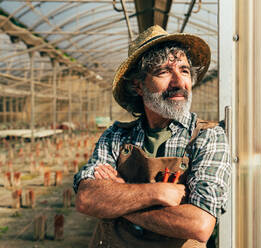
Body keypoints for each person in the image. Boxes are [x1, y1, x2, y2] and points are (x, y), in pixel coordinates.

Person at [73, 25, 231, 248]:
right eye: (164, 72)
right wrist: (158, 192)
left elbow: (199, 224)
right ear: (138, 85)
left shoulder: (206, 137)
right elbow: (87, 198)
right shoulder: (116, 136)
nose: (178, 82)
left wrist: (120, 202)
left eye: (184, 71)